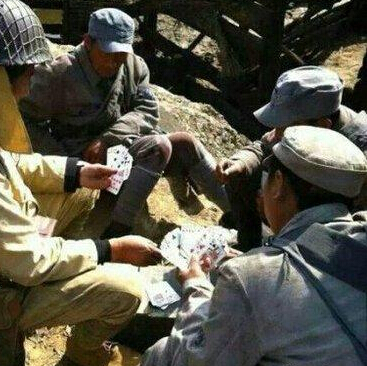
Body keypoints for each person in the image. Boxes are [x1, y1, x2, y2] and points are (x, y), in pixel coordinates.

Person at [0, 0, 162, 366]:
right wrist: (109, 250)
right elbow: (28, 261)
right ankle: (78, 353)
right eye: (28, 74)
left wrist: (75, 172)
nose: (30, 86)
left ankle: (56, 279)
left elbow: (8, 162)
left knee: (82, 193)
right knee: (127, 290)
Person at [142, 125, 367, 366]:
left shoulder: (250, 277)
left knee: (161, 353)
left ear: (278, 183)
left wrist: (195, 286)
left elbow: (195, 360)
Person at [20, 8, 228, 237]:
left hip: (121, 151)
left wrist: (107, 140)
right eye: (108, 53)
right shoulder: (58, 74)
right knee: (159, 146)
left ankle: (238, 213)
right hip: (78, 160)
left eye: (121, 54)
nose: (115, 62)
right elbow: (24, 120)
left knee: (184, 143)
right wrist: (65, 164)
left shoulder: (134, 66)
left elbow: (147, 110)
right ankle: (117, 232)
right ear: (88, 42)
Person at [217, 65, 367, 251]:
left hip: (337, 240)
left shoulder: (361, 156)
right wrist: (241, 163)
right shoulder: (311, 117)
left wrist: (277, 212)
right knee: (240, 176)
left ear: (323, 125)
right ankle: (249, 247)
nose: (278, 133)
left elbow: (354, 227)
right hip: (298, 206)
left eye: (285, 127)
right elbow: (264, 146)